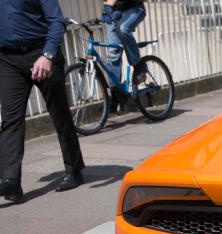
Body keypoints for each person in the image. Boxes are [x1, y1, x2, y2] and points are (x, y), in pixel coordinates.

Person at [0, 0, 85, 203]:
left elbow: (57, 22)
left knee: (60, 115)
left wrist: (47, 55)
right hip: (8, 59)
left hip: (41, 53)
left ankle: (74, 170)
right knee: (11, 119)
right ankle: (10, 181)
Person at [101, 0, 146, 84]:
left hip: (134, 7)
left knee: (123, 28)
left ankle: (139, 64)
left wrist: (108, 5)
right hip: (114, 11)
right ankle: (115, 90)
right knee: (113, 51)